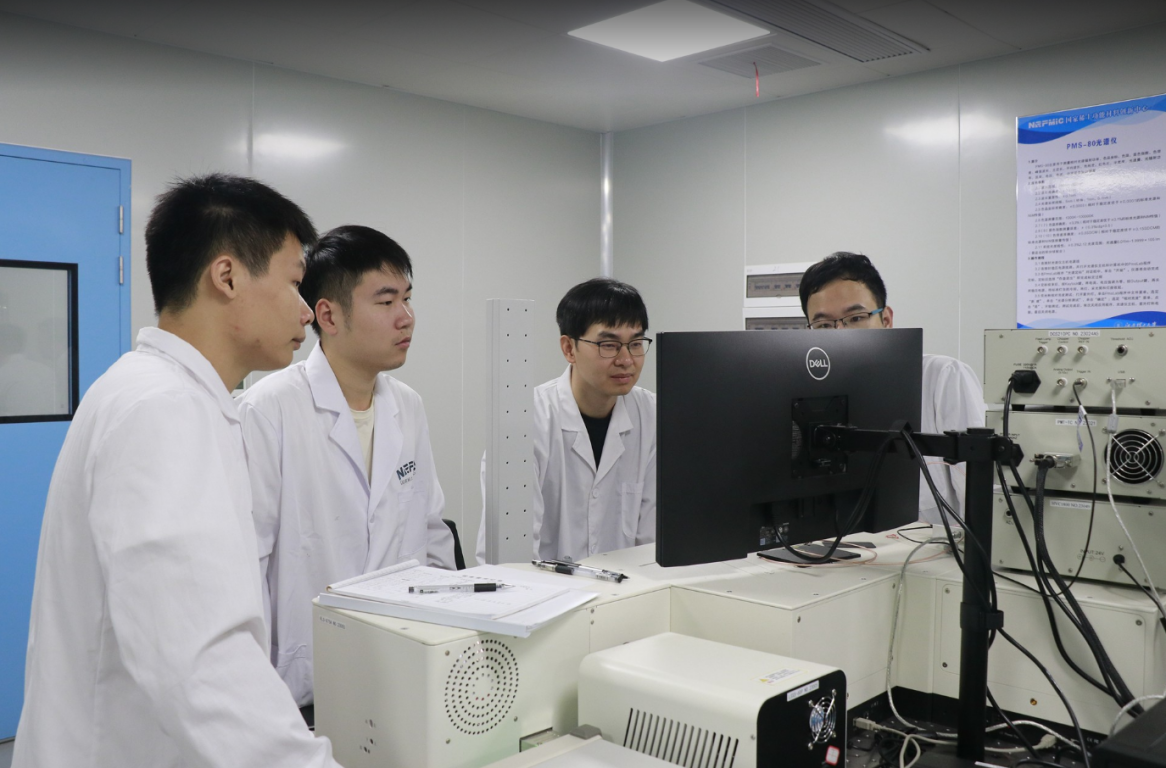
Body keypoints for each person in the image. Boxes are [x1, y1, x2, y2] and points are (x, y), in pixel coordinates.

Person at [13, 174, 341, 767]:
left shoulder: (163, 393)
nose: (304, 310)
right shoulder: (163, 408)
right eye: (295, 282)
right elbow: (201, 659)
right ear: (227, 276)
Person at [239, 225, 455, 711]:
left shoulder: (407, 406)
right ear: (328, 315)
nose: (406, 318)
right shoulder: (269, 410)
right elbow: (248, 562)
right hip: (300, 683)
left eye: (407, 299)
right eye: (386, 301)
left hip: (402, 665)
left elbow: (431, 531)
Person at [477, 278, 656, 564]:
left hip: (632, 585)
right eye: (609, 345)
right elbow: (510, 558)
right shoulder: (525, 420)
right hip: (543, 588)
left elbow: (653, 542)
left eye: (635, 344)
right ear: (569, 348)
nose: (626, 359)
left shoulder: (652, 415)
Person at [799, 251, 985, 525]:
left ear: (886, 319)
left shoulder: (942, 376)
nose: (840, 334)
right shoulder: (804, 397)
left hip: (934, 547)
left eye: (856, 318)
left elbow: (978, 501)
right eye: (824, 324)